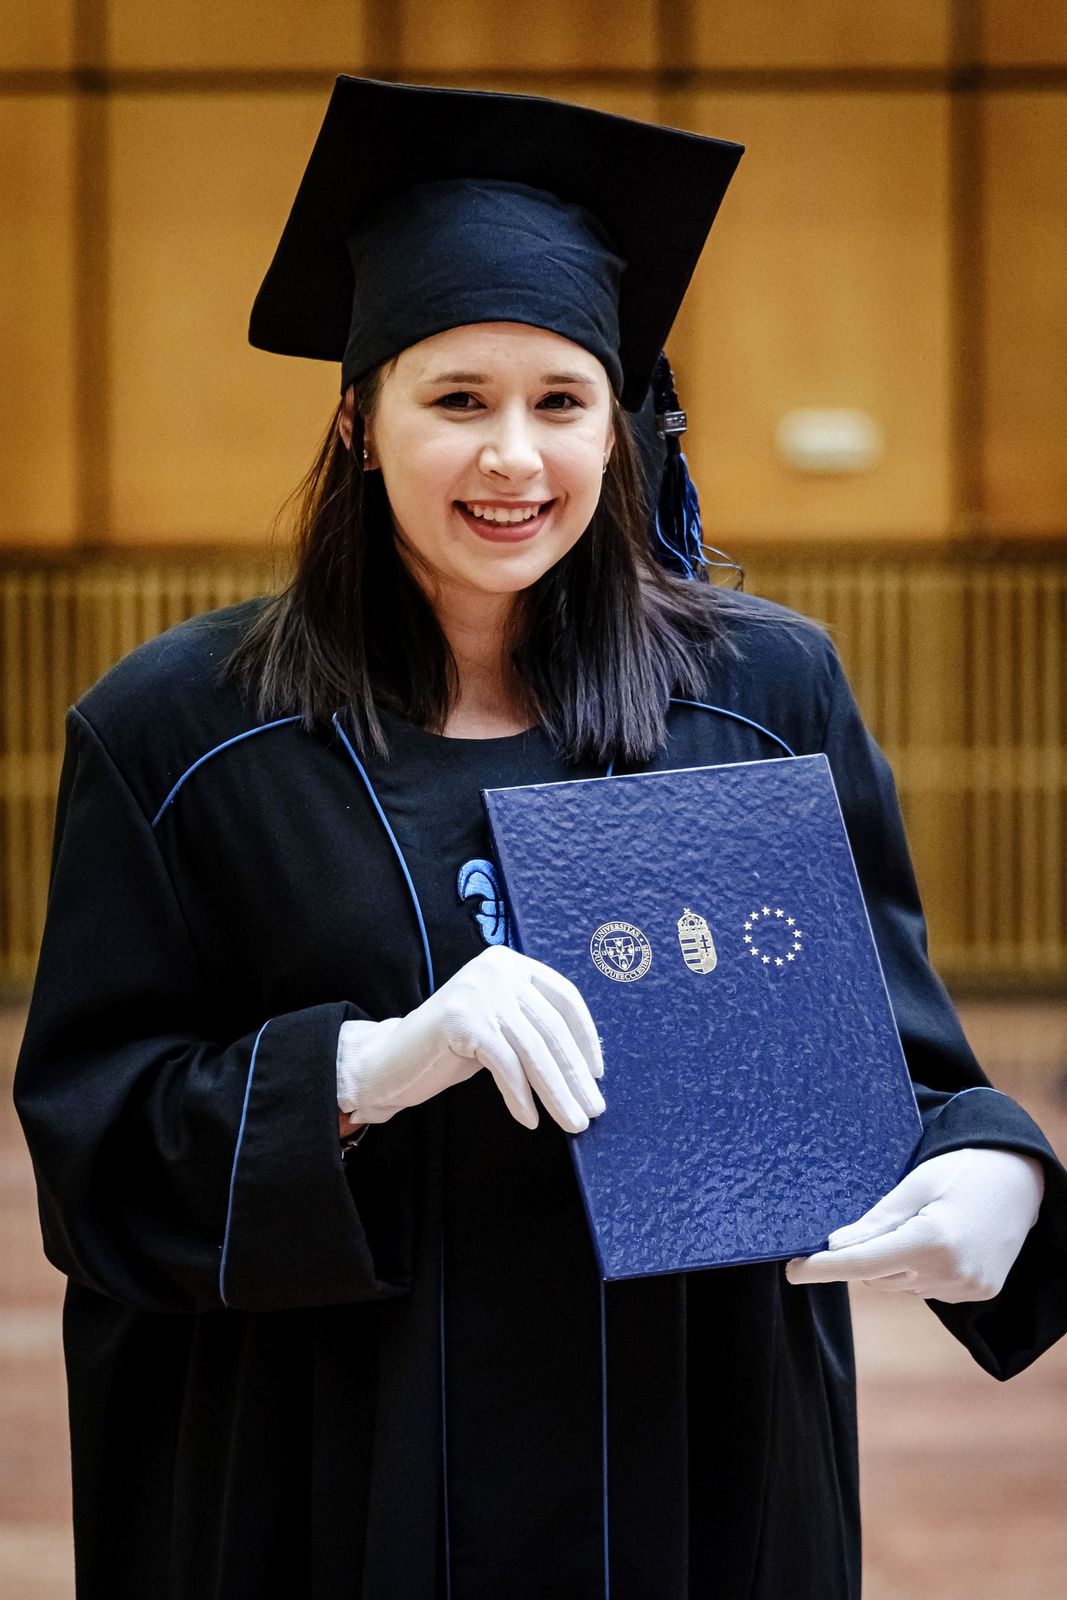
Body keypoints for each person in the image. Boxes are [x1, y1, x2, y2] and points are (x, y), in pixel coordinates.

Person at [13, 76, 1067, 1600]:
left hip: (693, 1474)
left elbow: (899, 1068)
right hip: (335, 1486)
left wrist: (995, 1172)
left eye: (562, 403)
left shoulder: (760, 700)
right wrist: (371, 1067)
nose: (513, 456)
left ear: (618, 428)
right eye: (458, 400)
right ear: (358, 420)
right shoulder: (181, 741)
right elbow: (98, 1151)